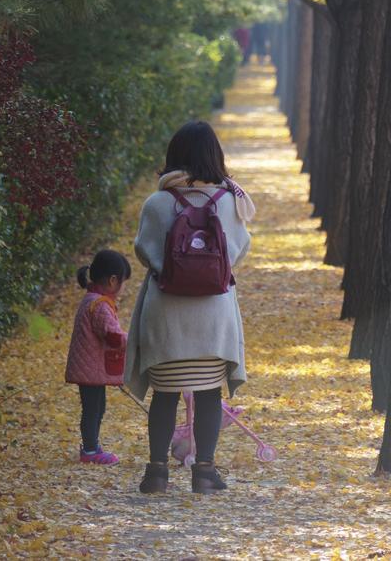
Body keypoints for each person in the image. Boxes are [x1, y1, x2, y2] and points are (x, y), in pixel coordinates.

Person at [125, 121, 254, 494]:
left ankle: (156, 472)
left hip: (166, 318)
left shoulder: (157, 202)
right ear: (215, 156)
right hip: (214, 319)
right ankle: (205, 472)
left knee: (165, 394)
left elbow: (143, 251)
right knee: (209, 392)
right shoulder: (230, 201)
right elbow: (240, 250)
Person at [65, 249, 131, 465]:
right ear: (113, 280)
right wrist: (135, 341)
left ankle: (91, 445)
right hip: (90, 368)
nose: (124, 287)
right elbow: (113, 337)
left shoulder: (91, 299)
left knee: (96, 406)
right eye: (124, 281)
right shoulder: (100, 305)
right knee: (93, 408)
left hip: (89, 367)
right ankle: (90, 451)